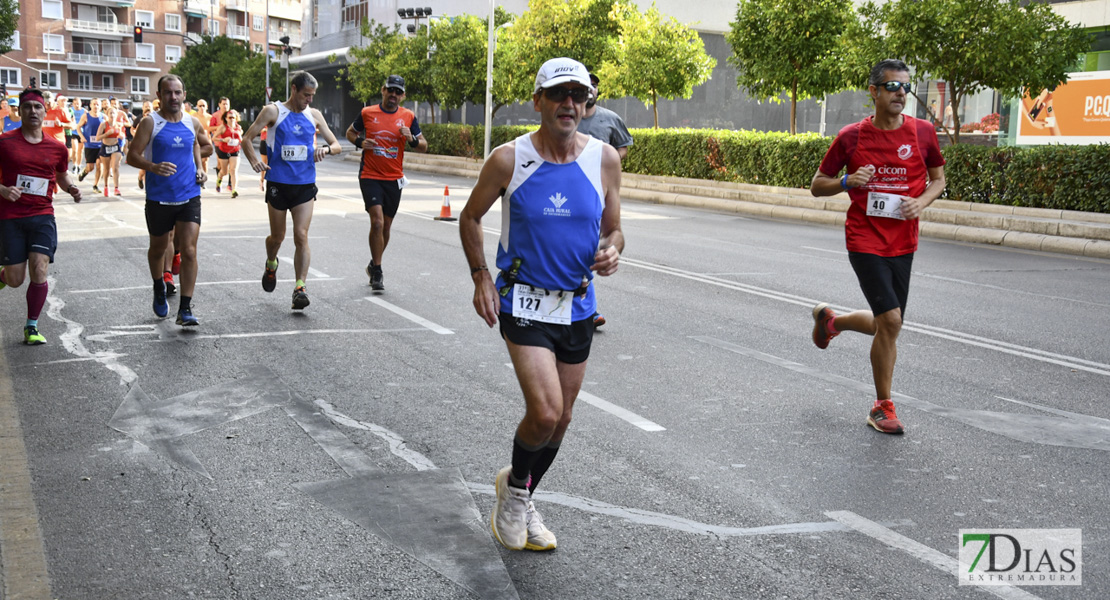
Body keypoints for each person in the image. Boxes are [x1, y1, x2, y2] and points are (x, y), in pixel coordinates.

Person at [459, 57, 623, 552]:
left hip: (576, 305)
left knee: (564, 418)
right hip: (523, 301)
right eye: (558, 95)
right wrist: (481, 275)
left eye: (578, 95)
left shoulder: (604, 159)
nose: (569, 104)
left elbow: (614, 227)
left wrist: (613, 248)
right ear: (539, 102)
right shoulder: (510, 159)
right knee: (546, 412)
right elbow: (470, 218)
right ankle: (514, 500)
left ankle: (519, 487)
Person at [808, 59, 946, 435]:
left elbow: (938, 179)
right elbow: (818, 184)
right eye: (892, 87)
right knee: (891, 321)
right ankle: (882, 407)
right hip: (864, 238)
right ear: (874, 92)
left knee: (889, 324)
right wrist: (847, 182)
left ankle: (832, 322)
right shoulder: (852, 137)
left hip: (904, 240)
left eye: (906, 87)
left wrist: (923, 202)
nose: (901, 93)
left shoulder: (923, 133)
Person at [241, 71, 342, 310]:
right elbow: (247, 139)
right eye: (306, 95)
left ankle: (300, 287)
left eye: (312, 96)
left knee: (301, 235)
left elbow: (336, 144)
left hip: (305, 185)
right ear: (294, 89)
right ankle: (271, 262)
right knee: (277, 237)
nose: (309, 100)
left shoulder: (314, 115)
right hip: (278, 184)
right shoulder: (273, 111)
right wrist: (255, 160)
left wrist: (325, 150)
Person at [126, 74, 213, 327]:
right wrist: (153, 167)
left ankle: (185, 309)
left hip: (189, 195)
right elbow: (132, 156)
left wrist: (200, 168)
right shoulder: (150, 123)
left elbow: (204, 146)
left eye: (177, 92)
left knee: (188, 250)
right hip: (159, 198)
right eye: (168, 93)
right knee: (158, 248)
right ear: (159, 96)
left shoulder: (192, 122)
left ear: (184, 95)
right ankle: (158, 286)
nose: (173, 97)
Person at [0, 88, 83, 345]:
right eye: (27, 107)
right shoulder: (5, 142)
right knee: (16, 280)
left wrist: (71, 188)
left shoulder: (57, 148)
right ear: (19, 111)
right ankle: (3, 276)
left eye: (37, 107)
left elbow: (61, 174)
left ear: (44, 112)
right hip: (10, 216)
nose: (33, 112)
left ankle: (32, 326)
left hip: (42, 214)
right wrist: (2, 190)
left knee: (39, 267)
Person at [343, 75, 428, 291]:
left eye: (398, 92)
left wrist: (412, 139)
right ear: (383, 90)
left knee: (387, 226)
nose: (394, 95)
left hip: (394, 178)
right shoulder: (368, 113)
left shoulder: (408, 117)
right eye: (390, 90)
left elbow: (424, 146)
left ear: (403, 95)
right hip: (370, 175)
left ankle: (373, 264)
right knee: (378, 222)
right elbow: (350, 133)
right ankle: (378, 272)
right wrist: (362, 142)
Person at [577, 71, 633, 329]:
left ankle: (585, 305)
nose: (590, 89)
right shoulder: (569, 118)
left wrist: (610, 162)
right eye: (585, 85)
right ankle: (585, 305)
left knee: (593, 242)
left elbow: (623, 145)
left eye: (594, 85)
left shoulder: (611, 119)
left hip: (599, 192)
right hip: (570, 188)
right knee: (578, 242)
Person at [94, 107, 125, 197]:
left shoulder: (119, 125)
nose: (112, 115)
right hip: (105, 147)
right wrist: (107, 134)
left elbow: (122, 135)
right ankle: (106, 186)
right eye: (110, 113)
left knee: (115, 167)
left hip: (115, 147)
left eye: (113, 113)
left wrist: (121, 136)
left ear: (116, 115)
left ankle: (116, 188)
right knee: (106, 169)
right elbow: (97, 138)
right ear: (107, 115)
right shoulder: (104, 125)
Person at [214, 109, 244, 196]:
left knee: (233, 171)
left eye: (233, 117)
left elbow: (240, 138)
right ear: (226, 118)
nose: (232, 119)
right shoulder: (223, 127)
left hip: (235, 150)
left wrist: (240, 139)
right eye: (230, 117)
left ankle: (234, 190)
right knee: (224, 172)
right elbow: (214, 138)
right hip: (224, 151)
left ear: (236, 118)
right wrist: (223, 139)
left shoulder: (238, 128)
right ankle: (219, 180)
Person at [76, 100, 104, 187]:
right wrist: (82, 136)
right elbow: (78, 127)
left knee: (100, 164)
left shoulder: (104, 117)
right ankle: (85, 171)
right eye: (94, 104)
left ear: (100, 106)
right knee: (90, 167)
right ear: (91, 105)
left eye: (98, 104)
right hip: (89, 145)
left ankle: (96, 185)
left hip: (101, 145)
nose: (96, 106)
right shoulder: (86, 116)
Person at [209, 97, 230, 179]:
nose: (225, 106)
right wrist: (221, 128)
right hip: (219, 142)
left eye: (227, 104)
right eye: (224, 104)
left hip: (231, 143)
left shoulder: (232, 114)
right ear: (219, 105)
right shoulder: (215, 115)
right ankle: (219, 180)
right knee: (220, 164)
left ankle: (231, 185)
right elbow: (210, 128)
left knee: (232, 165)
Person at [193, 100, 213, 178]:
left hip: (206, 141)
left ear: (207, 107)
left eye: (203, 106)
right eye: (200, 106)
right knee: (197, 160)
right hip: (196, 141)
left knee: (205, 161)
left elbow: (214, 129)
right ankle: (197, 174)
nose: (202, 108)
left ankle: (204, 177)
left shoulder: (210, 117)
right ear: (197, 106)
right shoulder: (193, 117)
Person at [70, 98, 86, 173]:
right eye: (75, 103)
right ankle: (74, 165)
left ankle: (79, 165)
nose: (77, 105)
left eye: (78, 103)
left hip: (82, 133)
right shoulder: (70, 110)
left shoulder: (84, 111)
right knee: (74, 149)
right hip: (73, 132)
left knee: (80, 150)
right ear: (73, 104)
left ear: (81, 103)